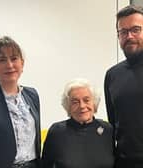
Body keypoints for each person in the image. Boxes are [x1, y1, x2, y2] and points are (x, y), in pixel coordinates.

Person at [0, 36, 41, 168]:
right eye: (2, 60)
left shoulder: (32, 95)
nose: (9, 65)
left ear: (22, 63)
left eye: (14, 58)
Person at [42, 78, 114, 168]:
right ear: (68, 106)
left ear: (94, 103)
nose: (82, 106)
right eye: (75, 102)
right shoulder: (56, 132)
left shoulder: (107, 130)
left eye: (86, 100)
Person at [104, 5, 143, 168]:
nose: (129, 36)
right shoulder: (113, 75)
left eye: (136, 29)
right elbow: (113, 122)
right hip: (124, 163)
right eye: (123, 32)